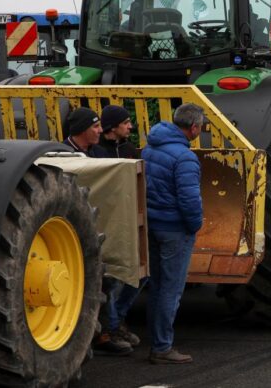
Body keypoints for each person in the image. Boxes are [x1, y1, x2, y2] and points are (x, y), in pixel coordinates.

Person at [142, 103, 205, 364]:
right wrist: (195, 225)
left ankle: (155, 340)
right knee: (171, 289)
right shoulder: (185, 157)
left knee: (156, 286)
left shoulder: (150, 148)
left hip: (152, 225)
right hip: (175, 230)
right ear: (193, 127)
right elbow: (190, 200)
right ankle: (162, 346)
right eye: (200, 127)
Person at [91, 105, 143, 357]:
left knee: (139, 272)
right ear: (113, 127)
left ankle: (117, 321)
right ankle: (109, 329)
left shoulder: (131, 150)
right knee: (109, 278)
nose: (131, 127)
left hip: (129, 219)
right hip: (106, 221)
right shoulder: (96, 154)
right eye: (126, 122)